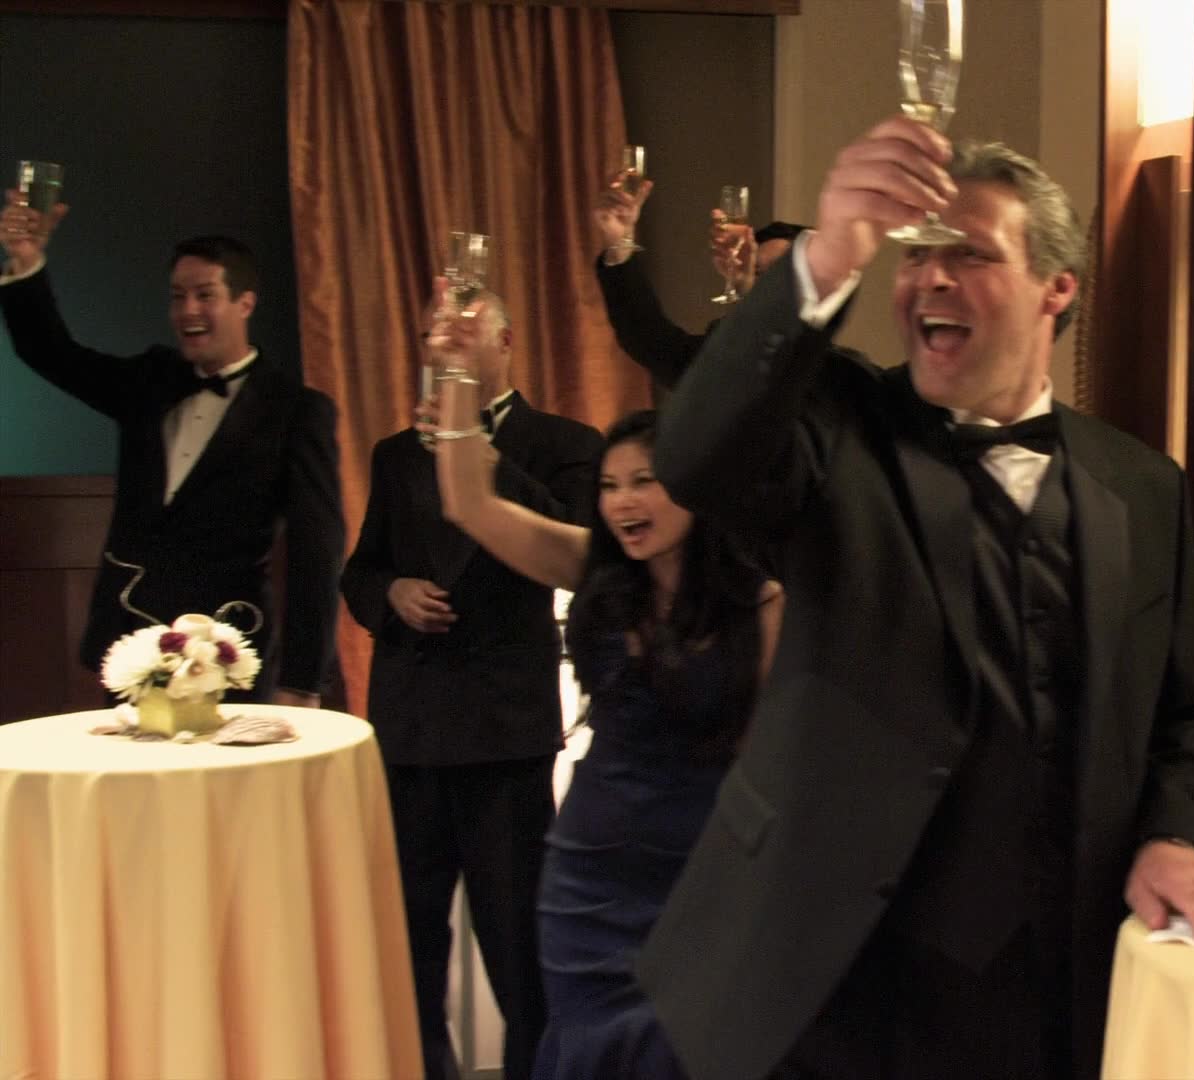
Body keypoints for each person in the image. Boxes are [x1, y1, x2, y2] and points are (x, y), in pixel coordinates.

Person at [635, 119, 1194, 1080]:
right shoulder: (839, 424)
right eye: (917, 254)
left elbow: (1184, 713)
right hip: (837, 977)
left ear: (1057, 287)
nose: (930, 277)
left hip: (1058, 980)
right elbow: (692, 455)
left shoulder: (1144, 486)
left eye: (969, 254)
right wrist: (826, 256)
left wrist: (1174, 837)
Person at [426, 296, 782, 1080]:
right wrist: (455, 371)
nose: (623, 501)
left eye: (646, 481)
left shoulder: (760, 603)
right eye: (612, 485)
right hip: (591, 875)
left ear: (695, 483)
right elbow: (469, 503)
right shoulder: (593, 567)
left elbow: (769, 764)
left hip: (701, 871)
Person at [340, 293, 602, 1080]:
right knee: (407, 955)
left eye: (459, 331)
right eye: (431, 332)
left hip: (502, 734)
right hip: (411, 732)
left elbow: (578, 551)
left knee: (521, 958)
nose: (440, 344)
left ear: (506, 340)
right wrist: (391, 593)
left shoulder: (564, 444)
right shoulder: (397, 454)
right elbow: (360, 572)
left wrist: (485, 462)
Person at [0, 193, 342, 705]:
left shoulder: (297, 410)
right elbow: (50, 353)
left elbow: (318, 551)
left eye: (205, 295)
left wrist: (301, 680)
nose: (188, 310)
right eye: (178, 296)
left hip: (231, 649)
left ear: (245, 303)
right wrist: (26, 261)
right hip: (130, 644)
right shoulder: (150, 380)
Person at [592, 173, 804, 383]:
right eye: (756, 271)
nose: (766, 283)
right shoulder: (730, 344)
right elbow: (658, 347)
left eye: (780, 271)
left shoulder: (819, 366)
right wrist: (619, 244)